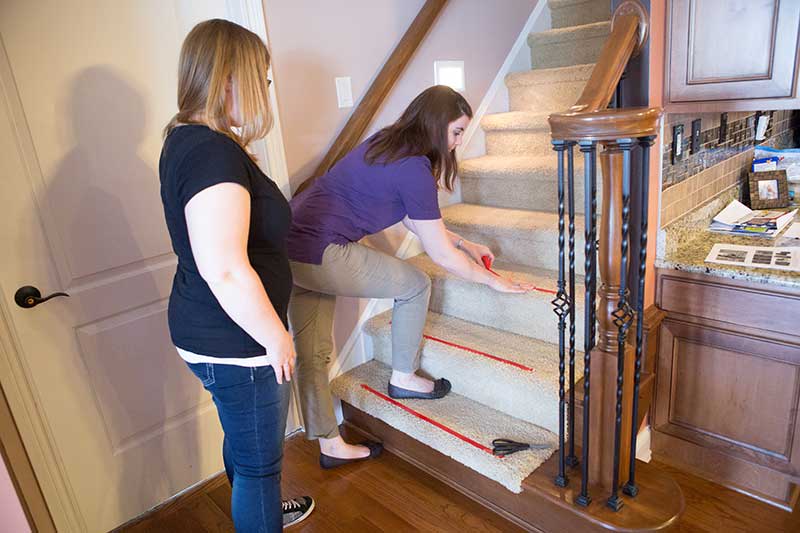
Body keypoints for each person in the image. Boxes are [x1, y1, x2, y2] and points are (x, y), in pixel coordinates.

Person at [287, 85, 534, 468]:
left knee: (312, 354)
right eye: (456, 132)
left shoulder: (386, 143)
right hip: (323, 249)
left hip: (288, 247)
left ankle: (329, 444)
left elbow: (411, 217)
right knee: (416, 284)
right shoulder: (414, 168)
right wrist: (492, 280)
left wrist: (466, 243)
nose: (457, 143)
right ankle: (403, 376)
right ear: (437, 126)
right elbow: (439, 256)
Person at [159, 19, 313, 531]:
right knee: (259, 468)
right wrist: (277, 338)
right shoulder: (210, 152)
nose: (265, 91)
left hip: (210, 332)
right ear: (229, 78)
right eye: (261, 79)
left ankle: (259, 510)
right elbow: (224, 268)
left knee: (244, 448)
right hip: (238, 342)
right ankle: (260, 511)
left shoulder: (186, 140)